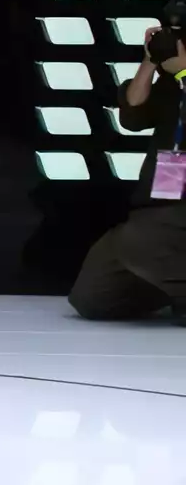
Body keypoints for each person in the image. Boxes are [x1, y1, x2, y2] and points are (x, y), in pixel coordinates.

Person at [68, 23, 186, 324]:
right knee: (93, 299)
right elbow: (133, 115)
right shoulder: (172, 81)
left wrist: (184, 72)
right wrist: (151, 60)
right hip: (157, 206)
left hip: (171, 216)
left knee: (139, 238)